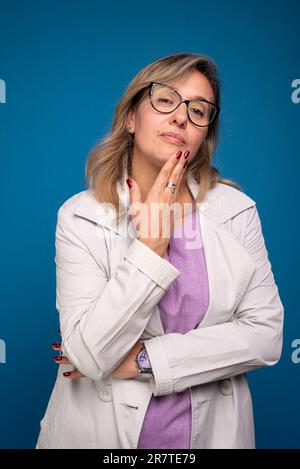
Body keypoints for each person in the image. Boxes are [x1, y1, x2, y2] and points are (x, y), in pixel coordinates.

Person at [36, 52, 284, 449]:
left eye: (199, 110)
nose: (182, 117)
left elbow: (264, 335)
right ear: (131, 118)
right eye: (166, 101)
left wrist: (144, 360)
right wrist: (150, 247)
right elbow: (87, 355)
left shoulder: (236, 212)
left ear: (205, 133)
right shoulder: (80, 215)